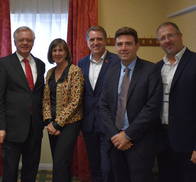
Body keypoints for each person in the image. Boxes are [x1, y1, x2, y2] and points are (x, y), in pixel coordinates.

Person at [99, 27, 163, 182]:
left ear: (137, 45)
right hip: (115, 143)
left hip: (140, 143)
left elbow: (152, 108)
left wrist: (127, 135)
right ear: (115, 47)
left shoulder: (151, 70)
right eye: (120, 44)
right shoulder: (111, 72)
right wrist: (115, 135)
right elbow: (104, 106)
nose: (124, 48)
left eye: (128, 43)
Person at [0, 26, 45, 181]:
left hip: (35, 127)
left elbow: (39, 95)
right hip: (12, 127)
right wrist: (0, 127)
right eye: (21, 40)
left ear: (33, 42)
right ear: (15, 42)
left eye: (28, 40)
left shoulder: (40, 64)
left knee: (31, 169)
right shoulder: (4, 63)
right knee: (10, 171)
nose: (25, 42)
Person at [78, 26, 119, 182]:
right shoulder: (81, 63)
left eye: (99, 39)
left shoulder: (117, 61)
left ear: (106, 41)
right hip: (88, 124)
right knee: (94, 166)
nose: (96, 42)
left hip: (110, 123)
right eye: (92, 39)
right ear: (88, 42)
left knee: (108, 167)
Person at [156, 22, 196, 182]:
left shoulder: (194, 62)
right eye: (162, 38)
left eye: (170, 35)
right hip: (162, 140)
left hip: (188, 142)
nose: (167, 40)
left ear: (180, 36)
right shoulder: (158, 67)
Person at [43, 38, 84, 182]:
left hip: (70, 123)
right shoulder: (49, 73)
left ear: (66, 52)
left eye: (61, 50)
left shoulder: (75, 71)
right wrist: (49, 121)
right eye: (54, 50)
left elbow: (76, 101)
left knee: (60, 161)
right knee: (60, 162)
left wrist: (57, 124)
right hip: (52, 124)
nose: (57, 53)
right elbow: (45, 99)